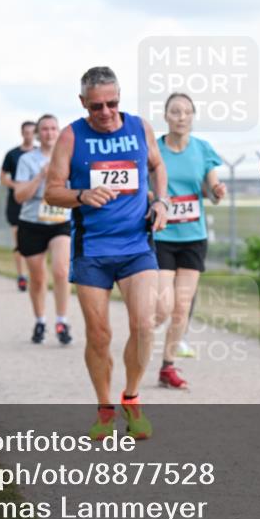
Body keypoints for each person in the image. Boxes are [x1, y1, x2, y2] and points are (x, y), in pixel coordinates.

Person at [44, 66, 169, 441]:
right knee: (99, 335)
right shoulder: (71, 136)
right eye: (97, 106)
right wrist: (81, 196)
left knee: (144, 324)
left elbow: (157, 164)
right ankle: (103, 408)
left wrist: (161, 201)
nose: (106, 112)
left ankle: (131, 398)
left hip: (135, 245)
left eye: (112, 103)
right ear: (83, 103)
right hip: (92, 250)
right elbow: (52, 191)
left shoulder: (139, 127)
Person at [151, 93, 226, 390]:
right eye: (175, 111)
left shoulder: (203, 149)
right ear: (166, 116)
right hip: (161, 235)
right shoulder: (154, 150)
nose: (181, 116)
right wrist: (157, 201)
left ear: (193, 116)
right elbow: (144, 189)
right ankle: (144, 333)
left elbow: (211, 190)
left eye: (186, 112)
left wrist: (217, 191)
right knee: (162, 305)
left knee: (181, 307)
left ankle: (167, 367)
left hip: (194, 237)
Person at [13, 114, 73, 345]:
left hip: (60, 221)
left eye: (53, 128)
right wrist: (41, 176)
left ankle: (62, 320)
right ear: (38, 134)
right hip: (32, 222)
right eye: (45, 129)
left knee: (61, 270)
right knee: (37, 278)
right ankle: (40, 320)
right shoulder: (27, 160)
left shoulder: (68, 157)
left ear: (59, 132)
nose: (49, 133)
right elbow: (20, 196)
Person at [2, 121, 37, 292]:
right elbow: (2, 177)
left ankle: (35, 275)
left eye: (32, 132)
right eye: (26, 132)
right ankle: (21, 275)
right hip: (16, 202)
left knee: (36, 241)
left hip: (37, 202)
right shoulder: (13, 155)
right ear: (22, 133)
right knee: (19, 241)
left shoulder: (41, 154)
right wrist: (17, 186)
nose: (29, 135)